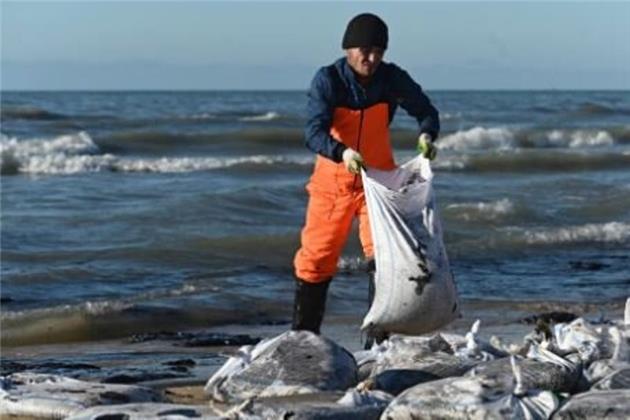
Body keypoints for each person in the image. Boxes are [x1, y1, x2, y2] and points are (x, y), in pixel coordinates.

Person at [292, 13, 440, 338]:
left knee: (384, 259)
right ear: (348, 48)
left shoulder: (391, 79)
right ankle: (304, 340)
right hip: (334, 182)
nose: (370, 58)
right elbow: (313, 132)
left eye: (378, 51)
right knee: (316, 259)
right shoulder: (328, 79)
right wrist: (342, 152)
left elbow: (426, 111)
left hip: (379, 184)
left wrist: (427, 135)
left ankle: (378, 343)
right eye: (363, 50)